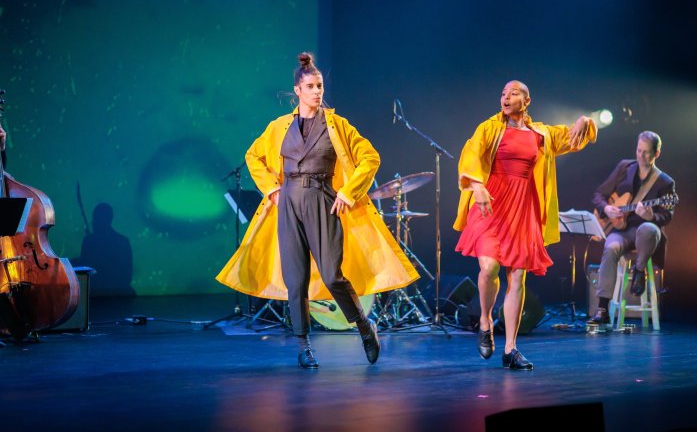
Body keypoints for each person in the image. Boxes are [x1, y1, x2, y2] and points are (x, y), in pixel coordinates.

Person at [217, 52, 420, 369]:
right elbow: (253, 156)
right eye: (311, 86)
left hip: (323, 200)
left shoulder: (337, 125)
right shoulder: (279, 127)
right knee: (294, 279)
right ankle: (303, 345)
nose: (317, 91)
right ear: (297, 90)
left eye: (320, 86)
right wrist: (271, 189)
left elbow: (370, 158)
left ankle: (364, 326)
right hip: (289, 202)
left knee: (331, 274)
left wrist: (349, 192)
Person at [453, 80, 597, 370]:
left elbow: (574, 137)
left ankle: (510, 349)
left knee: (517, 278)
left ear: (527, 101)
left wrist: (586, 120)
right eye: (503, 93)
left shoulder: (540, 133)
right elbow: (469, 155)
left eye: (513, 93)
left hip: (523, 210)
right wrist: (477, 186)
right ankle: (484, 320)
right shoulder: (490, 128)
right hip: (490, 204)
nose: (506, 97)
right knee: (489, 268)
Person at [587, 130, 677, 325]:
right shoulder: (624, 167)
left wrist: (652, 216)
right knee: (610, 248)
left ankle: (639, 270)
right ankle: (602, 307)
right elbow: (599, 194)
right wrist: (607, 208)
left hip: (645, 236)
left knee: (649, 228)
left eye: (646, 152)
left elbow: (667, 216)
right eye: (639, 150)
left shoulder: (665, 182)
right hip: (621, 230)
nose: (641, 156)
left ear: (656, 154)